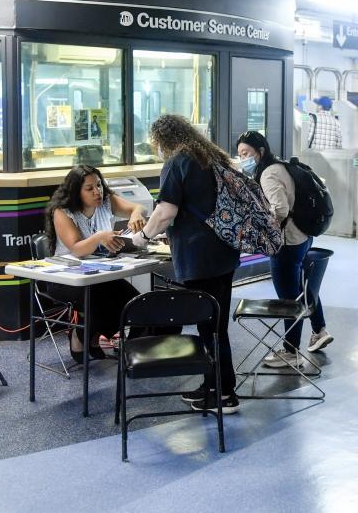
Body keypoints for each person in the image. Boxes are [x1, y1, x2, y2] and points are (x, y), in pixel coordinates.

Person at [131, 114, 242, 414]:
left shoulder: (177, 162)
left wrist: (142, 237)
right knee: (216, 325)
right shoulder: (209, 156)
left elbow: (166, 211)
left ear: (162, 139)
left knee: (209, 327)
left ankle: (224, 393)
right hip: (223, 252)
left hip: (199, 256)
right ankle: (213, 386)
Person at [236, 131, 334, 368]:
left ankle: (291, 351)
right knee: (301, 288)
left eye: (246, 153)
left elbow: (279, 209)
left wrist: (261, 229)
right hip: (303, 235)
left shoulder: (268, 174)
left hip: (286, 242)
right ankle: (319, 330)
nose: (243, 159)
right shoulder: (280, 166)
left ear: (260, 152)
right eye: (239, 154)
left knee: (288, 299)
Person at [46, 165, 147, 363]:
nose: (97, 191)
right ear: (76, 191)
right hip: (67, 279)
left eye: (99, 185)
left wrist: (136, 214)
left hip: (99, 275)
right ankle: (82, 335)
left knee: (136, 303)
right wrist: (100, 237)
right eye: (90, 188)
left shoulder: (106, 201)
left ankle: (101, 337)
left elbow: (137, 207)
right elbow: (76, 248)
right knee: (101, 299)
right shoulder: (63, 212)